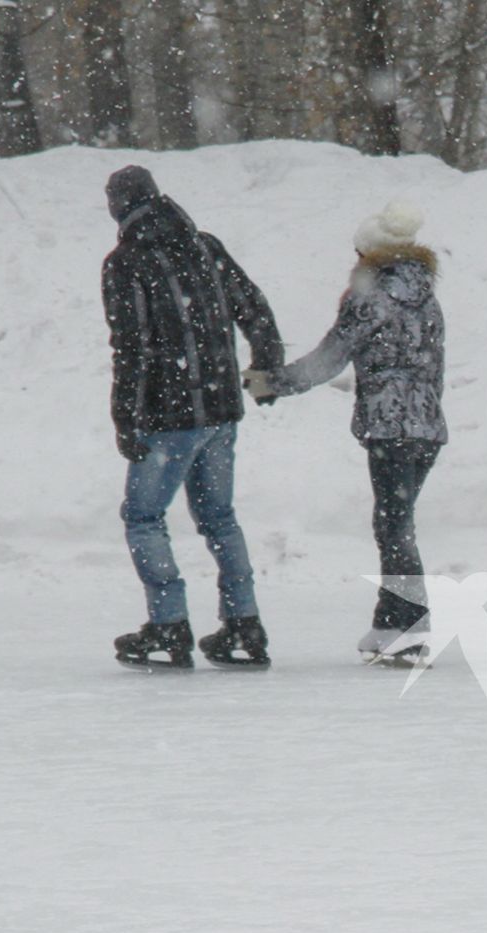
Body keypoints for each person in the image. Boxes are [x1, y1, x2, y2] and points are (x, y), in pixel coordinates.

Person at [242, 201, 446, 665]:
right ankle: (388, 624)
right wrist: (426, 415)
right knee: (394, 523)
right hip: (427, 426)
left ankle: (411, 628)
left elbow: (331, 357)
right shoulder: (427, 296)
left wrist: (275, 382)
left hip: (389, 424)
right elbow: (435, 367)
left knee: (395, 527)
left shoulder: (369, 296)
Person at [102, 165, 283, 669]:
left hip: (168, 416)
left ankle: (168, 626)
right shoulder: (205, 246)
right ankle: (244, 625)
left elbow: (130, 347)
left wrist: (126, 417)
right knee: (219, 518)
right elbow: (255, 309)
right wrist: (264, 367)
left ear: (118, 208)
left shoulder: (126, 263)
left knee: (143, 517)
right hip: (221, 411)